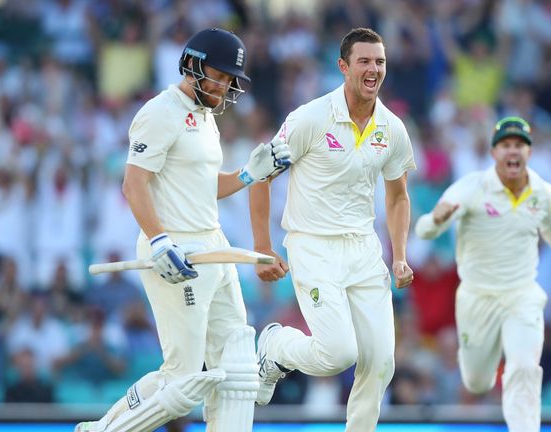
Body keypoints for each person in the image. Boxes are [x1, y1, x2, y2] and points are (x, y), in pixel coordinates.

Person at [75, 28, 290, 432]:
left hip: (215, 245)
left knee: (237, 370)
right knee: (184, 381)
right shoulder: (160, 112)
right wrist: (159, 241)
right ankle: (105, 429)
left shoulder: (207, 118)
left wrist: (248, 174)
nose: (225, 85)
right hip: (178, 251)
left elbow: (205, 186)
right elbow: (133, 183)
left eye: (230, 80)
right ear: (192, 64)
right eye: (220, 75)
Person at [249, 27, 416, 431]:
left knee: (380, 361)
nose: (373, 69)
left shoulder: (392, 128)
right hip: (313, 245)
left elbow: (397, 198)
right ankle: (275, 346)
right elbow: (260, 176)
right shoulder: (309, 118)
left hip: (362, 248)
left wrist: (399, 256)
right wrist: (263, 249)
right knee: (339, 353)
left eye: (379, 61)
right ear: (343, 66)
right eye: (364, 61)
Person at [414, 116, 551, 432]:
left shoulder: (541, 192)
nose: (512, 152)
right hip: (479, 296)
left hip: (520, 294)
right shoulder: (471, 187)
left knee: (524, 365)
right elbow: (424, 229)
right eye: (506, 145)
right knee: (475, 380)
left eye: (519, 145)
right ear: (494, 152)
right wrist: (434, 221)